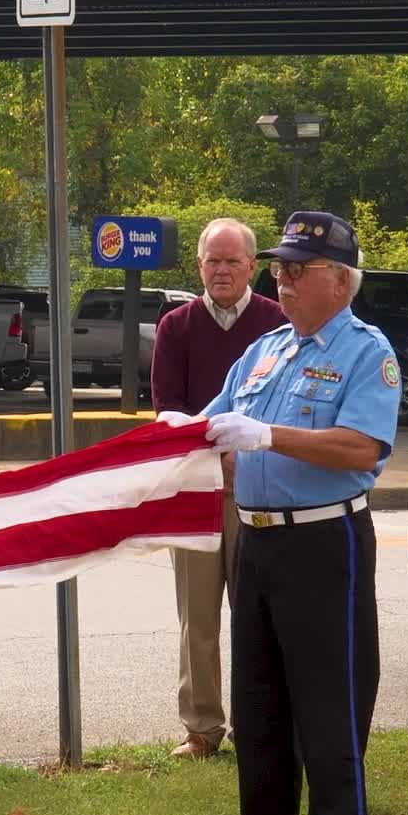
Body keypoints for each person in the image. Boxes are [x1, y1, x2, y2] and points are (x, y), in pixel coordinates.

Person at [176, 211, 399, 815]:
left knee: (329, 706)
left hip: (322, 542)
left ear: (341, 280)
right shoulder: (267, 350)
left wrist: (270, 434)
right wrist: (174, 434)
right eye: (278, 267)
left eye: (297, 269)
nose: (283, 280)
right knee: (261, 704)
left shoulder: (368, 352)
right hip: (258, 539)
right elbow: (214, 423)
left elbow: (362, 449)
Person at [150, 218, 286, 758]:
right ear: (199, 266)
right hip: (198, 496)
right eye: (213, 260)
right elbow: (169, 414)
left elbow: (279, 406)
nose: (222, 270)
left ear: (253, 266)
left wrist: (242, 459)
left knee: (257, 618)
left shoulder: (277, 323)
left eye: (233, 261)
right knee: (198, 619)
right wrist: (215, 459)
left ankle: (260, 727)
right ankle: (202, 729)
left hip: (260, 492)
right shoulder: (175, 327)